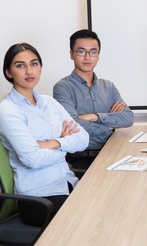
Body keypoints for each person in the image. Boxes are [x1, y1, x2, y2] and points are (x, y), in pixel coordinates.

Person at [0, 43, 89, 226]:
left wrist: (53, 143)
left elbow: (84, 138)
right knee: (90, 220)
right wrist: (65, 142)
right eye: (20, 65)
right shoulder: (7, 110)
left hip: (68, 183)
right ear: (9, 72)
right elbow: (32, 158)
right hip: (39, 199)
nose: (29, 71)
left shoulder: (50, 103)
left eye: (34, 64)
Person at [53, 29, 134, 167]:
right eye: (81, 51)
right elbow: (72, 123)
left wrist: (94, 116)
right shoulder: (63, 87)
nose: (87, 58)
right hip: (82, 157)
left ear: (98, 55)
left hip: (113, 151)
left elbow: (128, 118)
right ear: (71, 54)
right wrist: (109, 126)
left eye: (93, 52)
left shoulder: (108, 87)